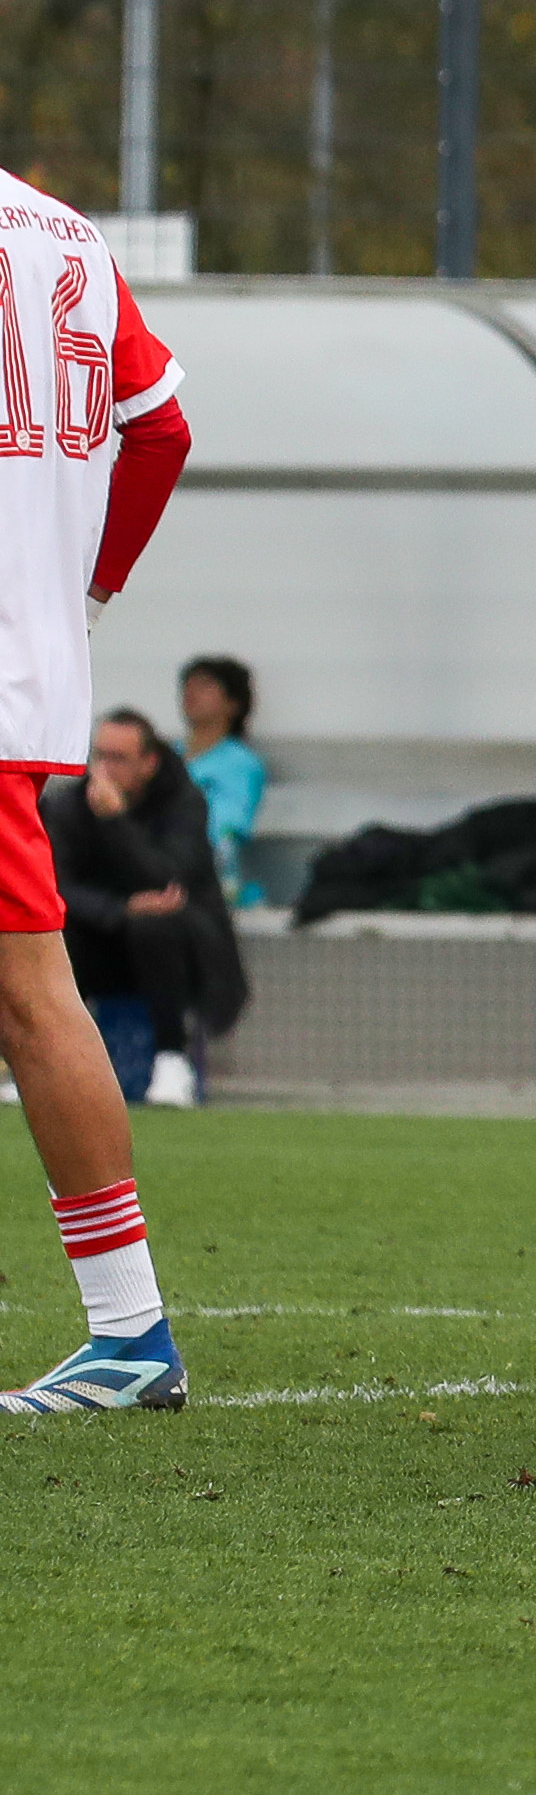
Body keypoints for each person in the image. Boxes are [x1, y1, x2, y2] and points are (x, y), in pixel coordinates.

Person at [0, 175, 197, 1415]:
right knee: (27, 986)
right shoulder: (62, 228)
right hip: (27, 668)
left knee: (29, 990)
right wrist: (90, 587)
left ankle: (130, 1334)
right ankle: (128, 1334)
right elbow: (162, 425)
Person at [49, 712, 241, 1109]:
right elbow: (57, 888)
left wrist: (116, 822)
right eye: (99, 756)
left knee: (155, 925)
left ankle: (172, 1059)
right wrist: (121, 909)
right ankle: (48, 1064)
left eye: (118, 758)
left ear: (149, 763)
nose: (103, 769)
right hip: (104, 942)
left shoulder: (185, 803)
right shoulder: (68, 807)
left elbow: (170, 880)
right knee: (55, 928)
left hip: (186, 951)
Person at [173, 656, 265, 908]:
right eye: (188, 684)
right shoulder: (167, 756)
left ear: (233, 703)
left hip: (211, 880)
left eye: (205, 685)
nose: (191, 692)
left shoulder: (241, 763)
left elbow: (226, 827)